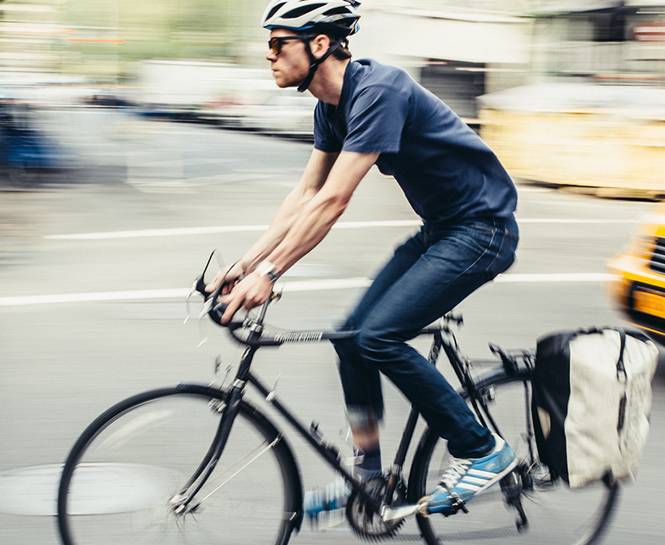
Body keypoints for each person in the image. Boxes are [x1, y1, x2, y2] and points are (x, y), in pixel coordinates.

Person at [209, 0, 521, 520]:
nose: (268, 55)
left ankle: (481, 449)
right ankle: (368, 478)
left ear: (319, 45)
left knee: (380, 337)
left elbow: (333, 201)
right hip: (442, 231)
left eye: (276, 42)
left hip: (482, 231)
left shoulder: (379, 90)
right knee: (351, 339)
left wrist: (270, 273)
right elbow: (307, 193)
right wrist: (245, 264)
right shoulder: (329, 107)